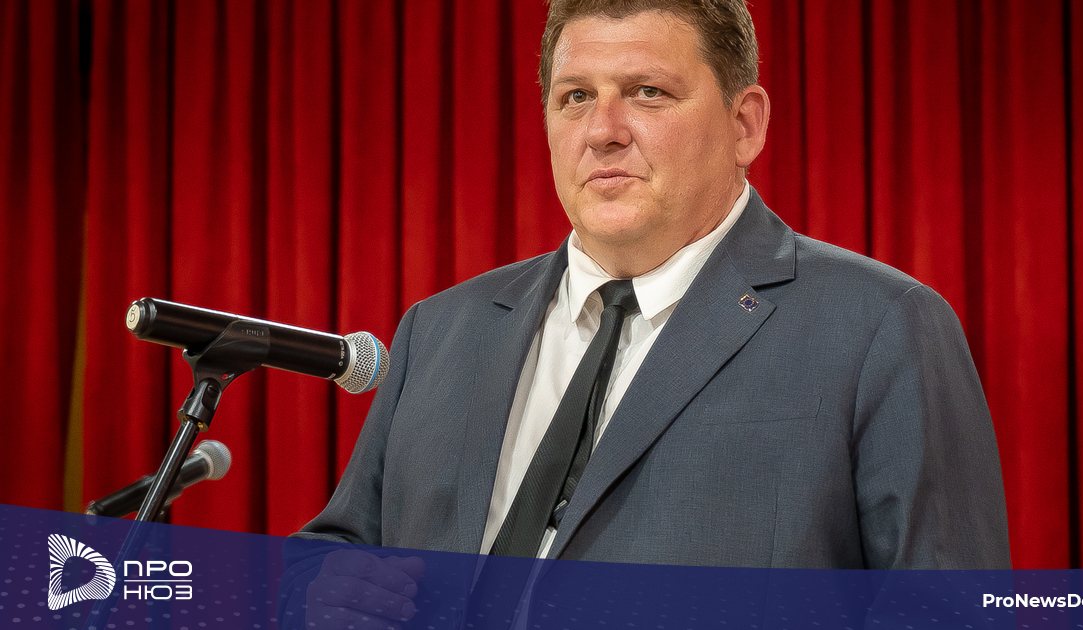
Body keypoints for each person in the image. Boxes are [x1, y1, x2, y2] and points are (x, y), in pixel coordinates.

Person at [284, 0, 1010, 626]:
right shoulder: (441, 330)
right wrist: (322, 591)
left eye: (647, 92)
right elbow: (339, 549)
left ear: (745, 124)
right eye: (575, 96)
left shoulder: (881, 326)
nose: (602, 130)